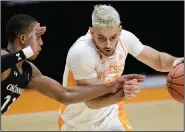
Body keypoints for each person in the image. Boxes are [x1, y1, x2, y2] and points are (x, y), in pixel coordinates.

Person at [58, 5, 184, 131]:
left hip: (111, 115)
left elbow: (159, 61)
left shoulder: (125, 39)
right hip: (77, 122)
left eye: (113, 37)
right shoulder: (82, 52)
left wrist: (176, 61)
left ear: (120, 31)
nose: (108, 44)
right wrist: (123, 94)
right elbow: (91, 102)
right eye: (101, 38)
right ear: (92, 32)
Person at [1, 14, 145, 115]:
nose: (41, 43)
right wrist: (27, 51)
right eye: (37, 37)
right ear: (23, 38)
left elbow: (65, 94)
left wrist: (111, 86)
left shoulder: (29, 71)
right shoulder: (3, 55)